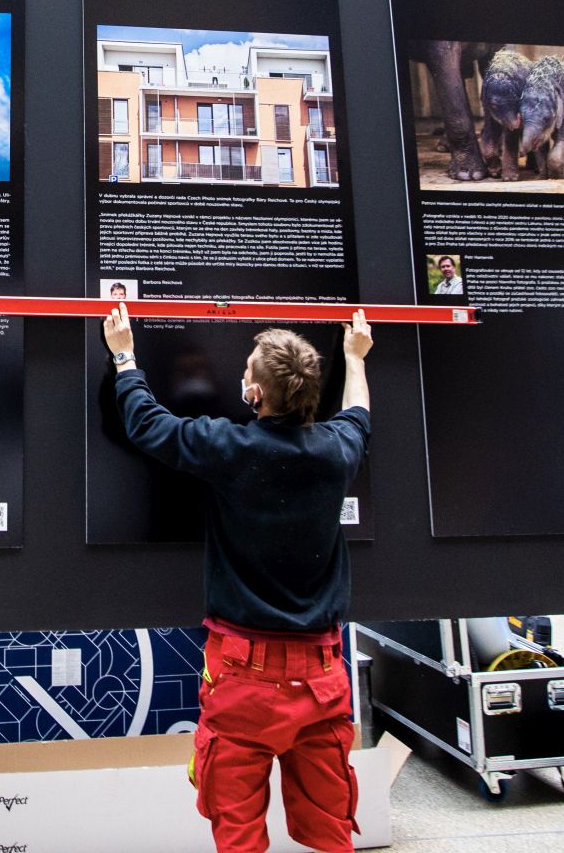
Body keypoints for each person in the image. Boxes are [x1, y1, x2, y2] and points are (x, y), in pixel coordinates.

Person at [102, 304, 373, 853]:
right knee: (330, 833)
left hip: (243, 681)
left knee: (240, 834)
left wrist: (124, 354)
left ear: (255, 395)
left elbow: (147, 424)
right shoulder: (336, 452)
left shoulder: (230, 448)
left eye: (248, 371)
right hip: (322, 681)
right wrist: (356, 358)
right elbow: (359, 414)